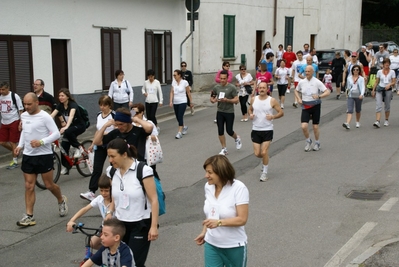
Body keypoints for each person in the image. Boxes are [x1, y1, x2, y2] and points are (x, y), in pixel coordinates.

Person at [14, 92, 67, 226]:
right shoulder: (24, 115)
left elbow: (55, 133)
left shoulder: (45, 117)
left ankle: (61, 200)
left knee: (49, 185)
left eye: (29, 104)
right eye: (25, 104)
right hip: (28, 155)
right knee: (29, 185)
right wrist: (20, 146)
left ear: (37, 103)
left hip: (43, 155)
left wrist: (41, 142)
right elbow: (24, 132)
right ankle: (29, 216)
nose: (26, 107)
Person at [105, 138, 158, 267]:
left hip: (140, 224)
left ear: (124, 154)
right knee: (122, 261)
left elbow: (154, 199)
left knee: (134, 263)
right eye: (108, 157)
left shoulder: (143, 170)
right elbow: (115, 196)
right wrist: (109, 212)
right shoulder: (111, 171)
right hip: (120, 224)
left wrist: (153, 226)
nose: (110, 160)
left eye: (113, 156)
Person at [194, 155, 249, 267]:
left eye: (210, 172)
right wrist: (204, 232)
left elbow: (242, 219)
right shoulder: (208, 187)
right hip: (212, 244)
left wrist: (219, 223)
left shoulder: (239, 188)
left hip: (234, 246)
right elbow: (211, 213)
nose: (206, 176)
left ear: (221, 172)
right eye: (206, 172)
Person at [80, 95, 115, 201]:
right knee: (97, 168)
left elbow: (117, 130)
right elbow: (97, 131)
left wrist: (104, 133)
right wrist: (92, 144)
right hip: (100, 145)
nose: (102, 107)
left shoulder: (113, 115)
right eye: (100, 105)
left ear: (109, 105)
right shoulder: (99, 115)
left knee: (114, 168)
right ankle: (91, 191)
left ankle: (115, 190)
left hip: (110, 144)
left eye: (104, 105)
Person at [248, 82, 283, 181]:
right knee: (257, 153)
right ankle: (265, 159)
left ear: (268, 89)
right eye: (260, 88)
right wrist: (250, 114)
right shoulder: (254, 99)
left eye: (264, 87)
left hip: (267, 129)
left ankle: (264, 172)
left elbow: (281, 112)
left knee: (264, 152)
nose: (262, 89)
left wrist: (273, 116)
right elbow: (250, 109)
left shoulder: (272, 100)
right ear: (258, 88)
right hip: (256, 129)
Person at [68, 174, 112, 249]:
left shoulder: (115, 201)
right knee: (92, 243)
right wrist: (72, 220)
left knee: (111, 244)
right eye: (101, 190)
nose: (103, 193)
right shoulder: (99, 199)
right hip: (104, 227)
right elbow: (85, 209)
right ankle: (108, 252)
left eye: (106, 191)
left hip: (115, 228)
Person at [50, 88, 86, 175]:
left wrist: (66, 127)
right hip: (70, 127)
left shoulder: (73, 105)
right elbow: (51, 116)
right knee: (63, 146)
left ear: (67, 96)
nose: (60, 97)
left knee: (68, 132)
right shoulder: (60, 105)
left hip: (80, 125)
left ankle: (78, 147)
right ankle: (66, 166)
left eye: (62, 96)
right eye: (59, 96)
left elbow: (71, 116)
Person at [294, 66, 330, 151]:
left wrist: (319, 96)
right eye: (305, 71)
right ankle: (308, 140)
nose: (306, 73)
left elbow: (327, 92)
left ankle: (317, 142)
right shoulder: (302, 82)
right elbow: (296, 90)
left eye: (308, 71)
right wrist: (299, 99)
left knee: (315, 126)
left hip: (315, 106)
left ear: (312, 72)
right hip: (305, 106)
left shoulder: (317, 82)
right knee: (304, 126)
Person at [210, 70, 242, 155]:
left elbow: (237, 100)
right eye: (221, 78)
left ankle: (237, 138)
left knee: (229, 130)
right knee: (220, 131)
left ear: (227, 78)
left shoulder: (232, 88)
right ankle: (224, 148)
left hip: (229, 112)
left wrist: (227, 100)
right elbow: (212, 98)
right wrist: (214, 100)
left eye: (224, 78)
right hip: (220, 111)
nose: (222, 80)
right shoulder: (216, 88)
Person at [0, 81, 24, 169]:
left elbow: (20, 110)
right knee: (2, 141)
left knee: (12, 141)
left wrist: (21, 122)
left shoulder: (14, 96)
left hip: (14, 120)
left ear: (8, 88)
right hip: (4, 121)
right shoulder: (0, 97)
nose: (1, 91)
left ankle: (14, 161)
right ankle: (16, 151)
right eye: (0, 90)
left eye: (3, 89)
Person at [371, 58, 396, 128]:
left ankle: (386, 120)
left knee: (387, 105)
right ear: (383, 64)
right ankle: (377, 121)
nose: (386, 64)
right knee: (378, 105)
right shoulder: (379, 72)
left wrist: (390, 84)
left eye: (388, 63)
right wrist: (373, 90)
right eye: (385, 63)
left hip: (388, 90)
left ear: (389, 64)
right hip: (380, 89)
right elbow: (376, 81)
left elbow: (394, 82)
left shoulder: (392, 72)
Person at [170, 69, 193, 139]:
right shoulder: (173, 82)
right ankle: (184, 126)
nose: (174, 76)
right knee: (177, 117)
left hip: (183, 101)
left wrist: (191, 102)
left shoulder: (185, 82)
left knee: (180, 116)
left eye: (175, 75)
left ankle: (179, 132)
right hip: (175, 102)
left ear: (179, 75)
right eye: (173, 75)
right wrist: (171, 101)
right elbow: (171, 92)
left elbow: (188, 93)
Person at [342, 65, 365, 130]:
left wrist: (362, 94)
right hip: (351, 95)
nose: (355, 71)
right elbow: (348, 87)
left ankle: (357, 121)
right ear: (352, 71)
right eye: (354, 69)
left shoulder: (361, 78)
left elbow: (363, 87)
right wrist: (347, 95)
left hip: (358, 95)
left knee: (358, 110)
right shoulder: (349, 78)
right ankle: (347, 123)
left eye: (357, 70)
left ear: (359, 71)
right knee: (350, 110)